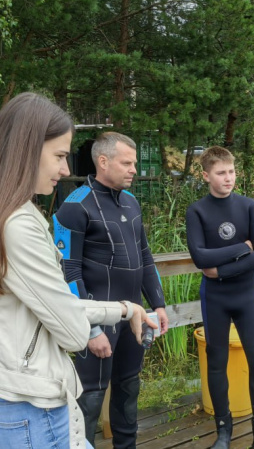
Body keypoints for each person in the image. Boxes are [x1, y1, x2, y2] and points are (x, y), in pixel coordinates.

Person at [0, 92, 156, 449]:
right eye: (58, 156)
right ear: (25, 149)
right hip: (33, 408)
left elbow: (49, 304)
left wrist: (125, 309)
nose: (66, 170)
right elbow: (73, 331)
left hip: (11, 397)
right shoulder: (17, 224)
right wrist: (107, 316)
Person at [52, 131, 169, 449]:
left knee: (128, 391)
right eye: (127, 163)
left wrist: (157, 304)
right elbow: (67, 272)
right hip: (96, 320)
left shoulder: (131, 203)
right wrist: (89, 329)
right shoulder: (74, 206)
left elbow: (144, 256)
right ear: (103, 161)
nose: (134, 169)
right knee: (88, 402)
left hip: (133, 316)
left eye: (134, 163)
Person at [185, 146, 254, 449]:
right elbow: (200, 257)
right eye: (221, 172)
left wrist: (221, 270)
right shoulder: (197, 211)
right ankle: (223, 433)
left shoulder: (249, 206)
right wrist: (242, 248)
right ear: (206, 175)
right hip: (215, 299)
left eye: (232, 171)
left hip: (245, 294)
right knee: (217, 361)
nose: (228, 178)